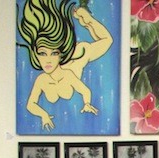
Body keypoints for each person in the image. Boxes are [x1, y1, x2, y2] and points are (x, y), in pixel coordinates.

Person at [17, 0, 113, 130]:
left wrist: (87, 103)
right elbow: (31, 104)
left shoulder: (76, 59)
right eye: (42, 54)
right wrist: (43, 115)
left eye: (54, 53)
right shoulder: (41, 80)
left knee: (105, 42)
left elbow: (85, 90)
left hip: (75, 58)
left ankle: (88, 20)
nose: (48, 61)